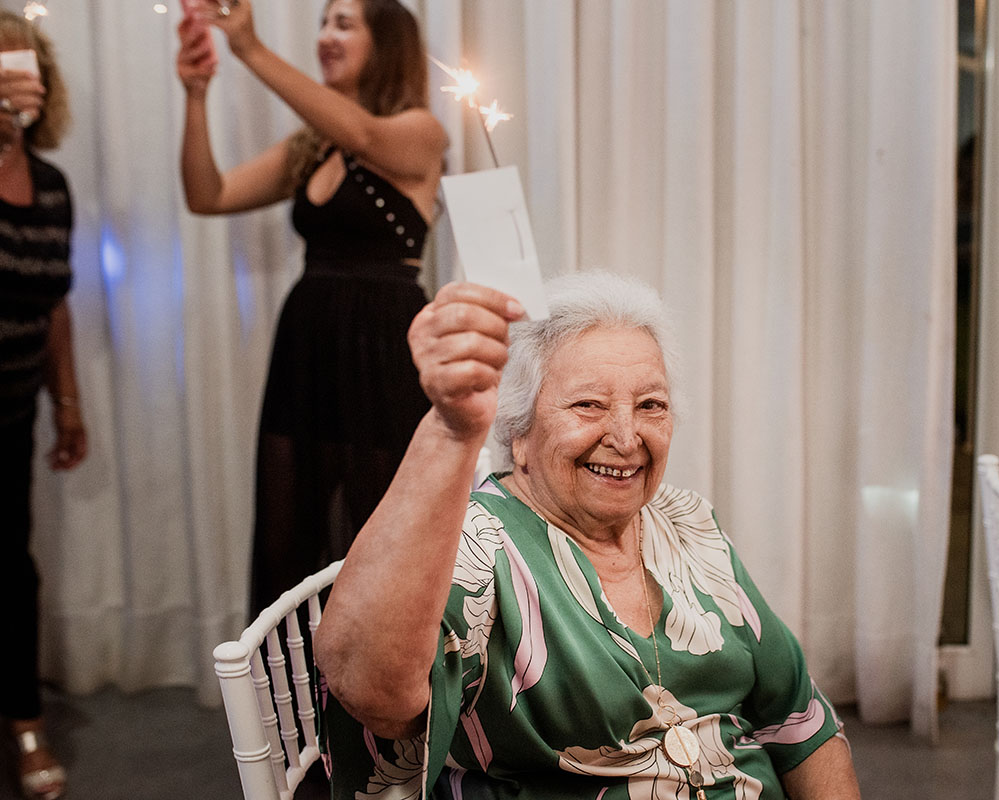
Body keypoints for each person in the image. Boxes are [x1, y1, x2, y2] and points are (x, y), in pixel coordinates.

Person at [315, 272, 863, 799]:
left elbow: (797, 718)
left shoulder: (686, 522)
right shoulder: (478, 545)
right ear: (519, 432)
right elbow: (370, 691)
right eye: (588, 406)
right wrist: (451, 427)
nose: (626, 438)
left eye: (650, 405)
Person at [176, 0, 448, 615]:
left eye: (343, 23)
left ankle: (382, 700)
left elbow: (365, 136)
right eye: (323, 22)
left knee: (377, 525)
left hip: (383, 346)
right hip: (307, 342)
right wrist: (195, 96)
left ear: (387, 43)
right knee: (287, 524)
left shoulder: (420, 131)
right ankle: (290, 701)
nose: (325, 35)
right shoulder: (310, 143)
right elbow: (208, 194)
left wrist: (249, 48)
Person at [0, 11, 85, 800]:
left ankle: (23, 717)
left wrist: (67, 401)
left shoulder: (52, 185)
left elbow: (56, 302)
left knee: (10, 568)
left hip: (13, 409)